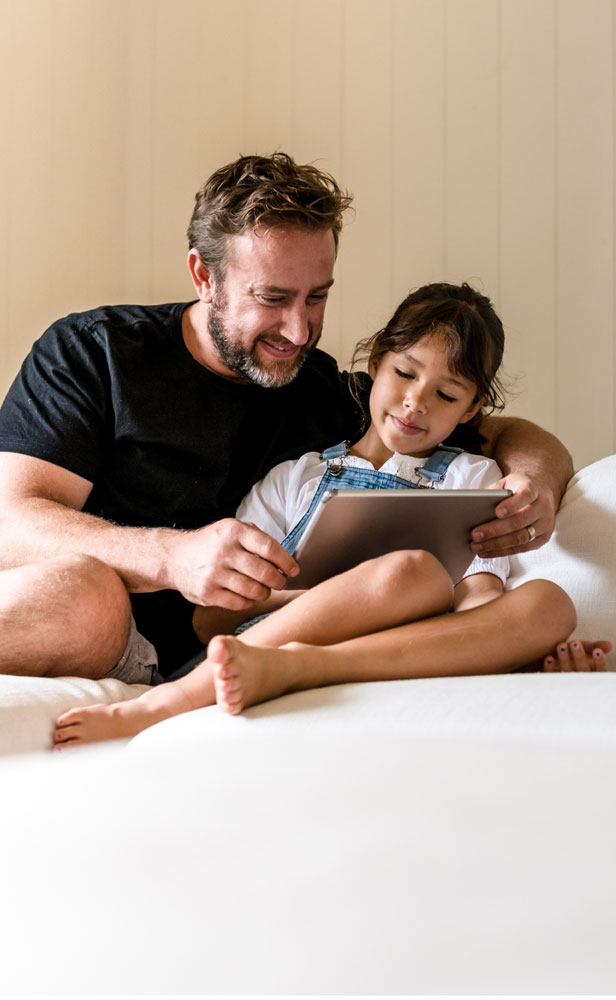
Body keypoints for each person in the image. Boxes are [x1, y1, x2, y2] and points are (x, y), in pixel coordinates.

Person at [0, 154, 573, 685]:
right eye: (273, 298)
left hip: (262, 649)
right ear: (204, 276)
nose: (298, 331)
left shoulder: (325, 388)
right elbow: (11, 520)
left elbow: (502, 431)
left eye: (316, 297)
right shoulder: (94, 352)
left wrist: (537, 488)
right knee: (88, 594)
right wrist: (171, 557)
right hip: (114, 634)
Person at [52, 282, 610, 745]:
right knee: (408, 571)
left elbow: (481, 597)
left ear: (473, 409)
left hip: (402, 643)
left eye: (447, 395)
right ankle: (173, 701)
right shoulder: (296, 477)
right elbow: (210, 618)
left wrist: (511, 643)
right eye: (406, 374)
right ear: (375, 363)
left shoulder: (472, 478)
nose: (416, 402)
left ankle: (301, 668)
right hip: (264, 636)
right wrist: (342, 595)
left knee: (549, 606)